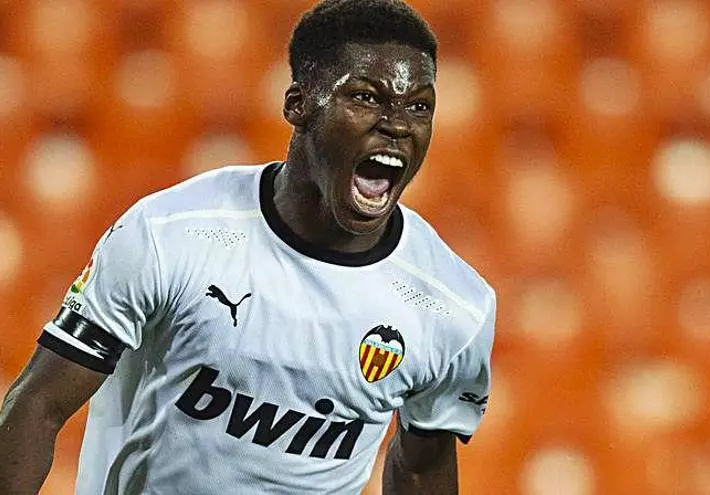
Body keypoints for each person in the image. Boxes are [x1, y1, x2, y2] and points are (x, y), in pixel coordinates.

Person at [0, 0, 496, 493]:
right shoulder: (169, 236)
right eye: (366, 97)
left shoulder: (452, 308)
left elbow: (421, 470)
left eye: (419, 106)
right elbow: (39, 406)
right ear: (298, 104)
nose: (398, 125)